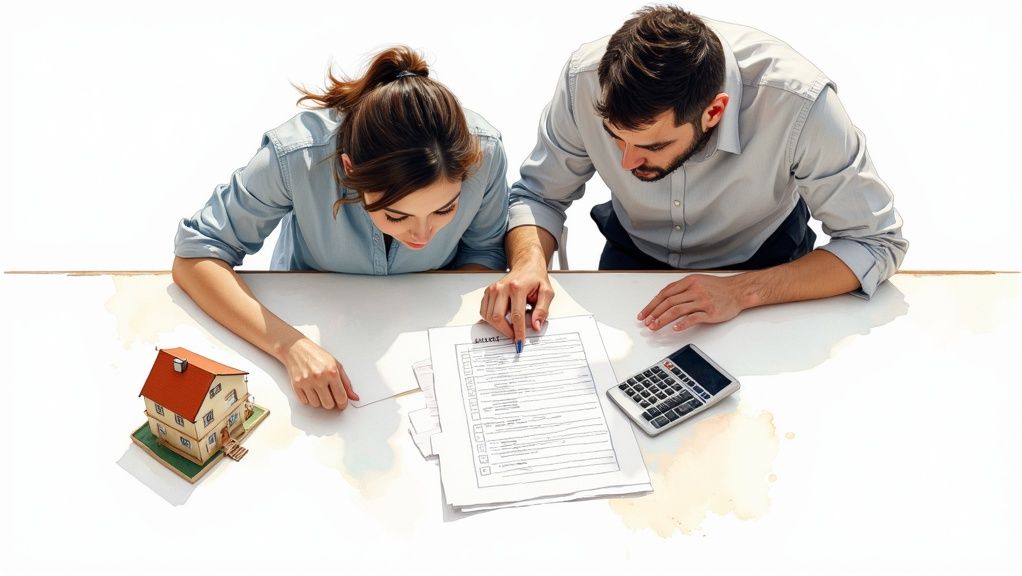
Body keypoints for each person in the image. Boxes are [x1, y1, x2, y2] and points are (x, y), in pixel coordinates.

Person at [481, 5, 907, 345]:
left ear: (714, 111)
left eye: (653, 145)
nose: (625, 164)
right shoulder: (585, 80)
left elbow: (875, 242)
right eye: (615, 138)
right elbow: (540, 196)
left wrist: (742, 292)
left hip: (768, 266)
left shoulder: (798, 103)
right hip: (632, 261)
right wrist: (528, 263)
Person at [173, 46, 509, 411]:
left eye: (445, 209)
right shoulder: (295, 156)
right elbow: (195, 257)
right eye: (396, 216)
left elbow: (484, 252)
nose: (423, 236)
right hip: (311, 321)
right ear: (349, 169)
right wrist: (290, 346)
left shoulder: (484, 151)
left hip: (424, 344)